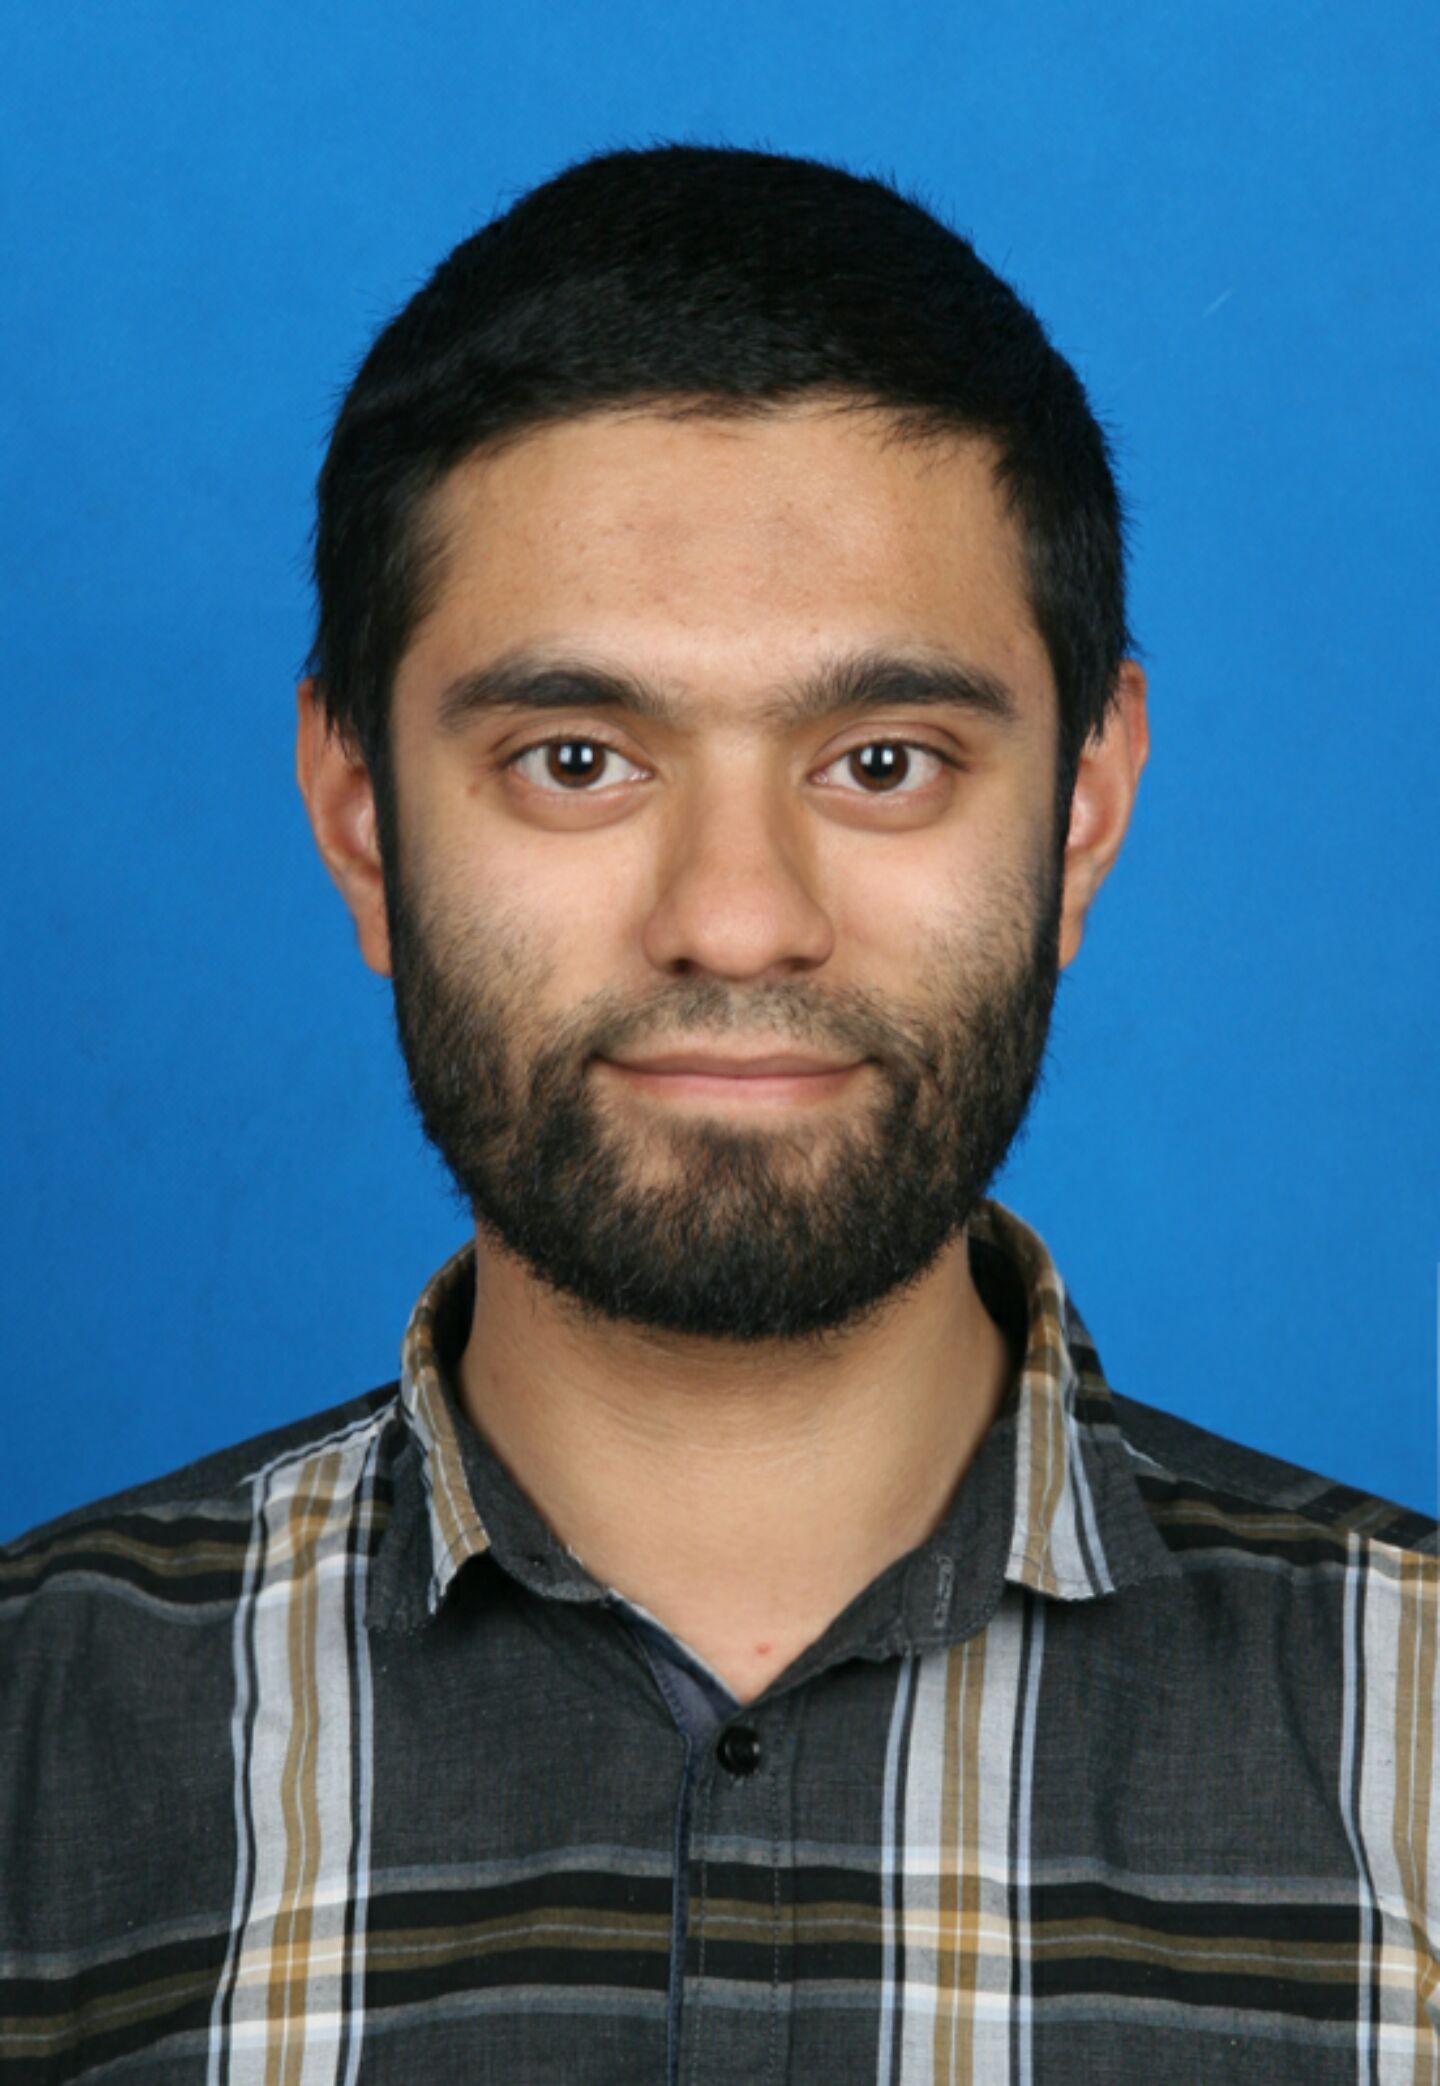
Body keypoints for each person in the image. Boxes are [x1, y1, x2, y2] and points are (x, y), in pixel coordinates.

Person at [2, 142, 1435, 2086]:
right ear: (360, 813)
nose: (738, 915)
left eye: (883, 759)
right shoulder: (36, 1741)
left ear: (1086, 808)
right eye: (577, 757)